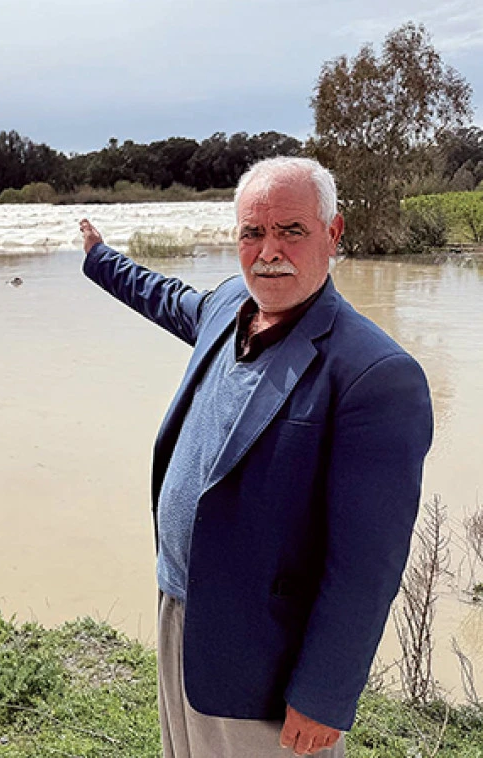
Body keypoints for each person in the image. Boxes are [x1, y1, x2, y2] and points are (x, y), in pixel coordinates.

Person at [79, 157, 433, 757]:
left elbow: (366, 565)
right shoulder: (225, 310)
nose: (270, 250)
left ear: (333, 233)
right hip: (181, 611)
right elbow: (164, 297)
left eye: (291, 230)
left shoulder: (373, 375)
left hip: (266, 653)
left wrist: (324, 695)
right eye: (253, 232)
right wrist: (99, 258)